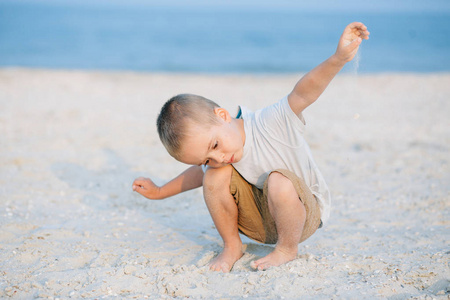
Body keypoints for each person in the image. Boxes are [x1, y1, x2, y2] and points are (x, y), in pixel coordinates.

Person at [132, 22, 370, 272]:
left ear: (222, 115)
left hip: (301, 215)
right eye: (207, 158)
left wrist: (338, 58)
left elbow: (304, 93)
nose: (219, 157)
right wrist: (159, 191)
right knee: (213, 177)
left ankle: (287, 250)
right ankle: (232, 246)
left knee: (278, 180)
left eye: (215, 145)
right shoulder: (220, 158)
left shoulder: (271, 122)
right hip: (260, 224)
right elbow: (197, 176)